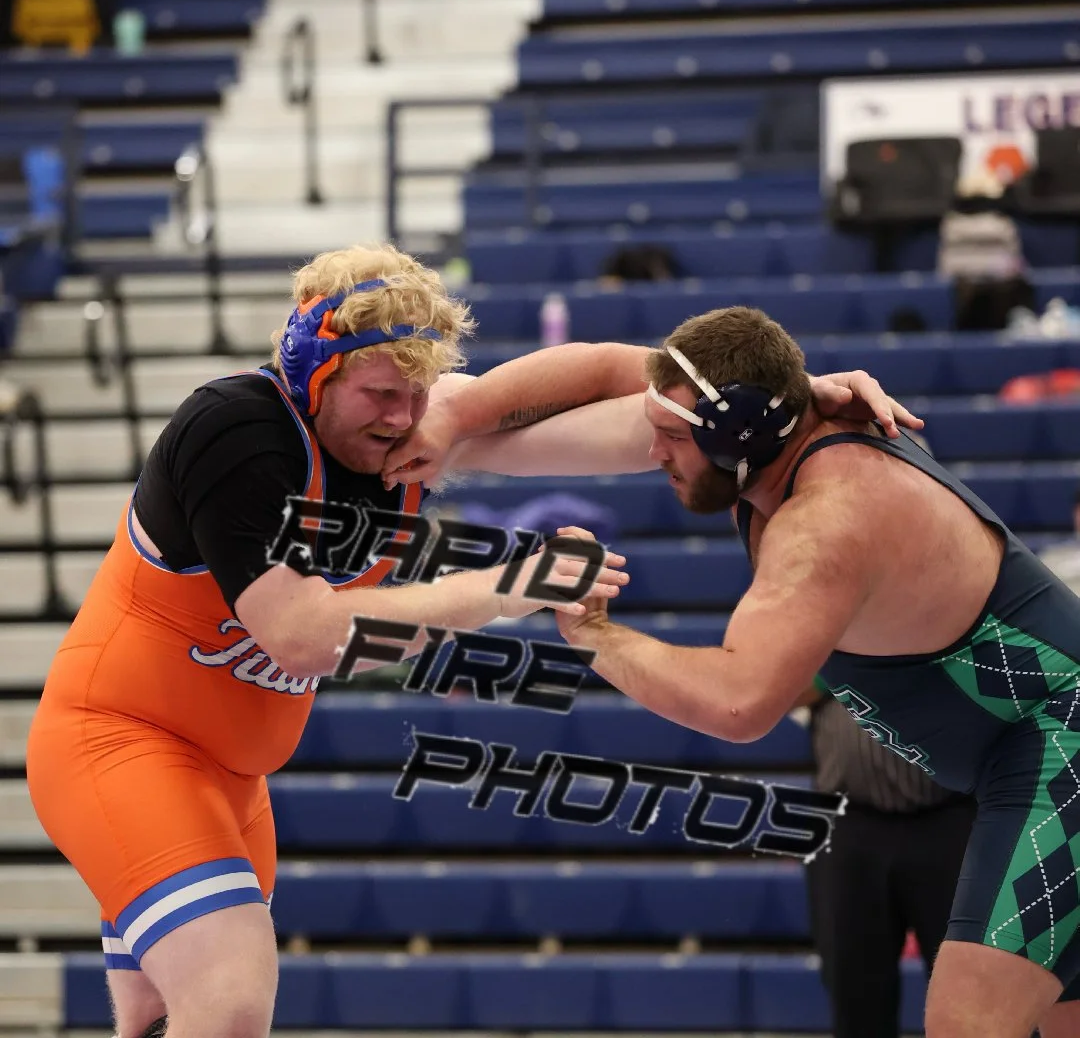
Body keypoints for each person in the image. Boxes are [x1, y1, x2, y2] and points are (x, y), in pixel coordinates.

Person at [26, 246, 903, 1038]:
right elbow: (301, 638)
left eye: (419, 394)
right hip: (121, 741)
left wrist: (775, 405)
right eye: (382, 395)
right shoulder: (237, 433)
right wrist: (504, 588)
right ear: (310, 369)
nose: (401, 417)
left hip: (230, 774)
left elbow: (630, 394)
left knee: (160, 1020)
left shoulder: (410, 428)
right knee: (227, 1001)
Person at [383, 305, 1080, 1038]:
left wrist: (593, 635)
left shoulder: (827, 519)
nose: (654, 450)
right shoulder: (762, 427)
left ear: (739, 434)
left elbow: (740, 703)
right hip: (1019, 756)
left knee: (970, 1023)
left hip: (1059, 746)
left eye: (674, 437)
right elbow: (601, 367)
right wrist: (452, 420)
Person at [800, 678, 976, 1038]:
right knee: (854, 992)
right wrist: (832, 666)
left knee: (971, 994)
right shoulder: (822, 643)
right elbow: (769, 693)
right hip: (849, 822)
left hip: (951, 815)